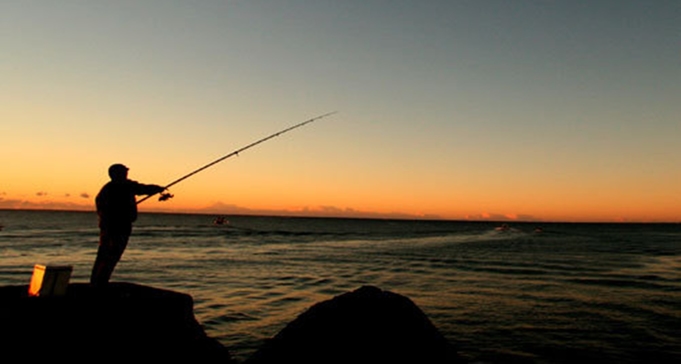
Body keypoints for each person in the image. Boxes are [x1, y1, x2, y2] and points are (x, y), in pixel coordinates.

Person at [90, 163, 166, 286]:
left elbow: (140, 188)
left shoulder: (108, 189)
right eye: (124, 172)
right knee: (112, 255)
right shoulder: (123, 186)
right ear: (117, 174)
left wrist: (156, 189)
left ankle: (96, 282)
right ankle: (100, 283)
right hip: (118, 228)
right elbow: (141, 188)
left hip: (108, 228)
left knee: (103, 255)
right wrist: (157, 188)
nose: (126, 174)